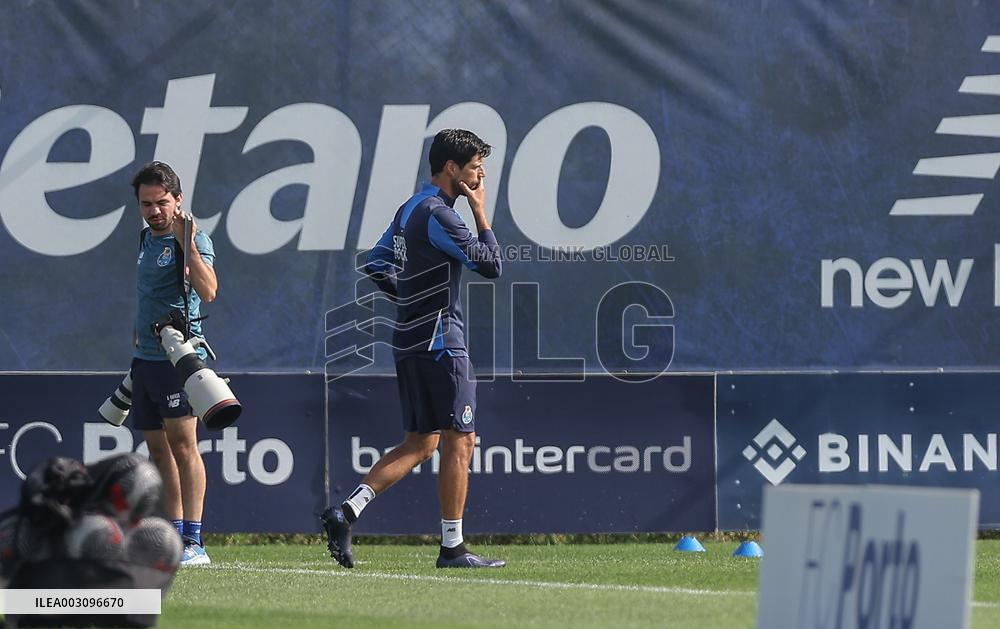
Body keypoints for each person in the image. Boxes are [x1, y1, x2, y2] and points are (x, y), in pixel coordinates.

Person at [322, 129, 505, 569]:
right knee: (461, 439)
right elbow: (492, 265)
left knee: (422, 443)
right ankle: (453, 548)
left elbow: (376, 263)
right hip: (441, 345)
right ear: (451, 168)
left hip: (409, 339)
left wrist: (408, 301)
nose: (480, 175)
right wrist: (481, 214)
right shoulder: (440, 214)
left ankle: (347, 511)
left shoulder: (410, 208)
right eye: (475, 166)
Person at [130, 161, 216, 566]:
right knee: (157, 450)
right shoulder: (145, 238)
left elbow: (209, 290)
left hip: (178, 358)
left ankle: (195, 542)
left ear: (178, 200)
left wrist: (188, 244)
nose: (154, 211)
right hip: (145, 359)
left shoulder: (194, 238)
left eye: (162, 202)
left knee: (184, 447)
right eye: (146, 204)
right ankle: (174, 534)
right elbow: (148, 294)